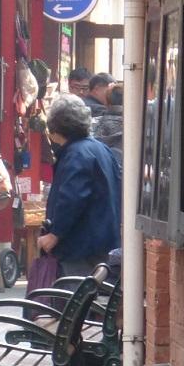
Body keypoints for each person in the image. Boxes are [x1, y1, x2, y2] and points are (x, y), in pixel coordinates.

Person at [37, 93, 121, 278]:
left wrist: (55, 234)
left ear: (57, 127)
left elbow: (72, 198)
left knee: (74, 298)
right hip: (104, 238)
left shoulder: (76, 154)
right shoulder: (99, 148)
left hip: (81, 244)